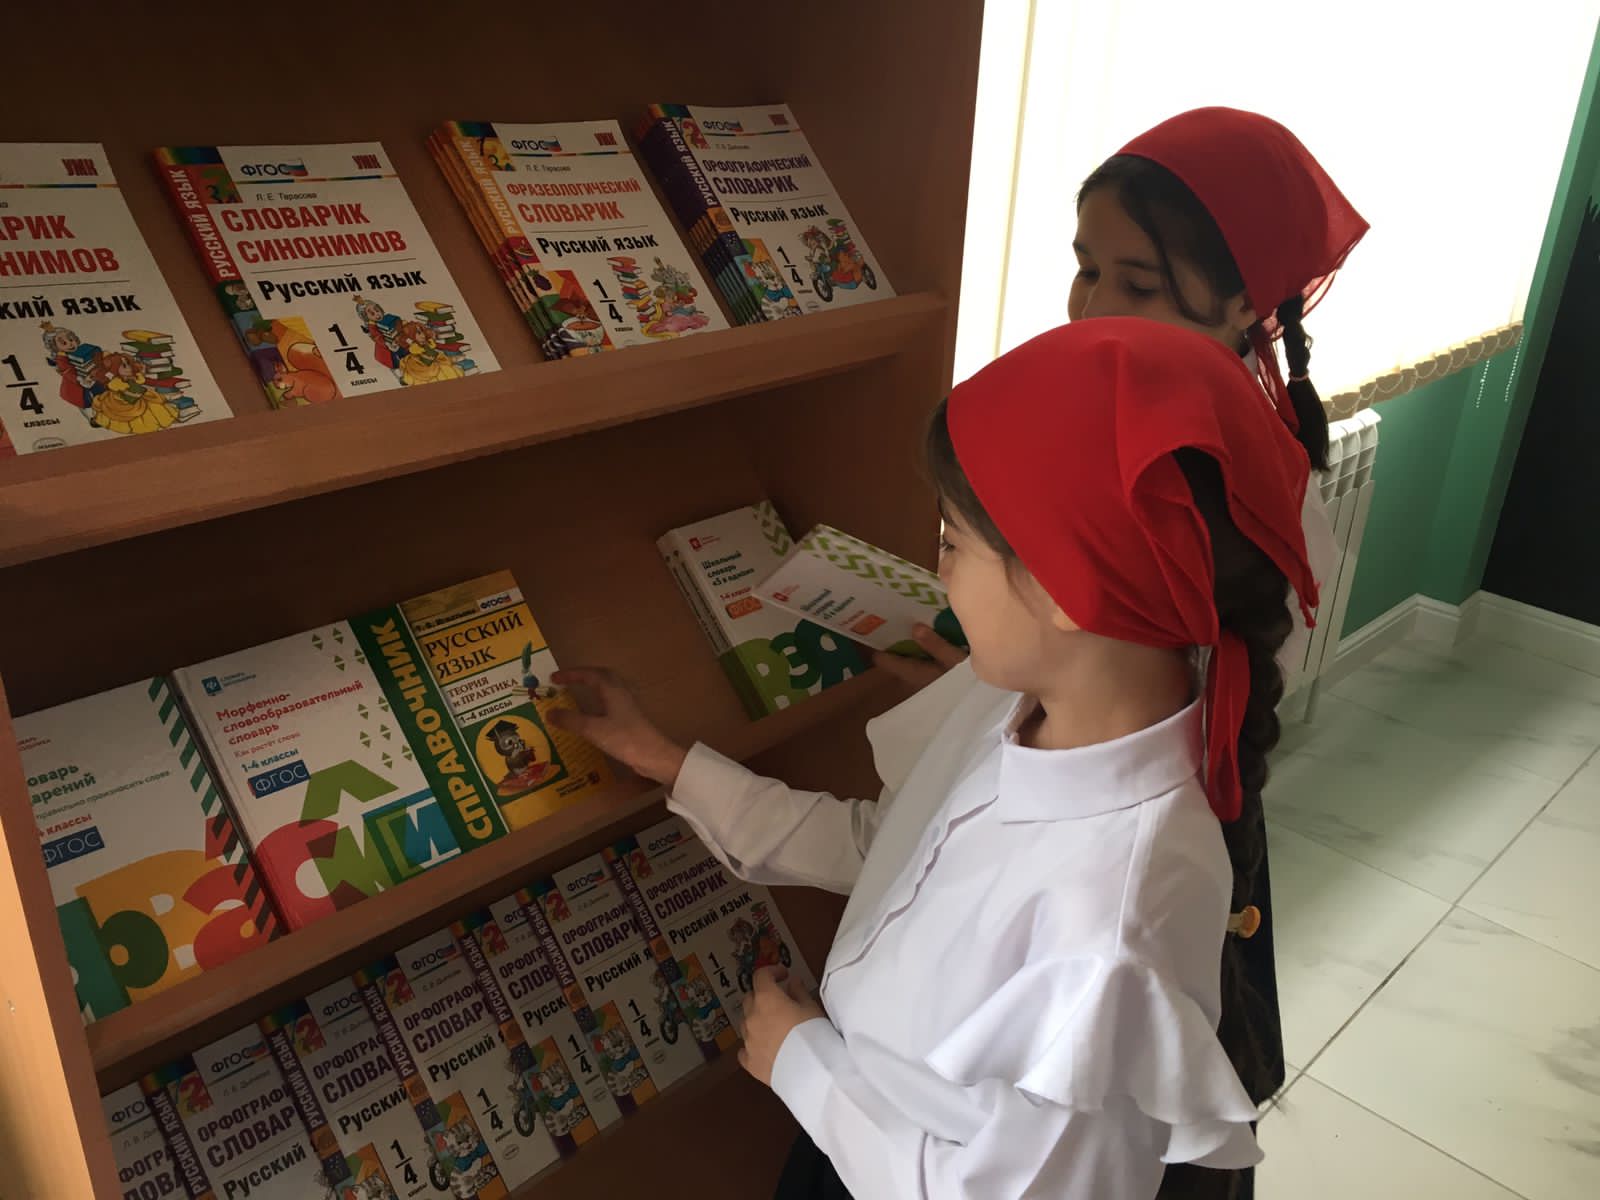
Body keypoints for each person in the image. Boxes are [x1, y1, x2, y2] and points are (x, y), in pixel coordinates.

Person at [550, 317, 1320, 1198]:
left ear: (1069, 585)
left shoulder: (1109, 930)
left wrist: (804, 1064)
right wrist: (664, 758)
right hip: (849, 1120)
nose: (938, 572)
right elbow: (890, 849)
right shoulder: (1016, 702)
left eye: (952, 542)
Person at [879, 107, 1367, 687]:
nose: (1092, 310)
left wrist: (986, 693)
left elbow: (1184, 700)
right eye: (1087, 271)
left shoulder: (1247, 490)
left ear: (1244, 302)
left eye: (1139, 285)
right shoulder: (1077, 403)